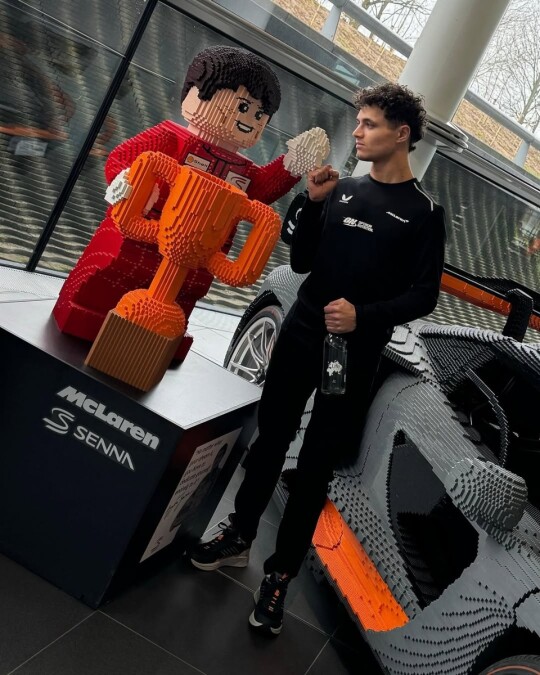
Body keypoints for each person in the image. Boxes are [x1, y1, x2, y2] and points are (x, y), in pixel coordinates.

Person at [189, 82, 447, 636]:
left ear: (401, 134)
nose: (358, 132)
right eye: (359, 121)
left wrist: (364, 315)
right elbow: (303, 259)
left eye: (369, 124)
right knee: (271, 438)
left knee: (314, 467)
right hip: (302, 331)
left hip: (352, 353)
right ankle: (239, 535)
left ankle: (279, 574)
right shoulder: (341, 189)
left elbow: (424, 295)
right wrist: (311, 201)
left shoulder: (425, 213)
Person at [53, 45, 327, 360]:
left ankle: (158, 340)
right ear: (196, 94)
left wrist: (291, 164)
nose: (250, 119)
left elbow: (260, 191)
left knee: (185, 295)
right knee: (112, 275)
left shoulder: (245, 170)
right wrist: (129, 183)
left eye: (259, 114)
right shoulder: (170, 137)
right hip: (143, 233)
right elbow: (123, 158)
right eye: (242, 106)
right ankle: (88, 314)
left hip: (201, 255)